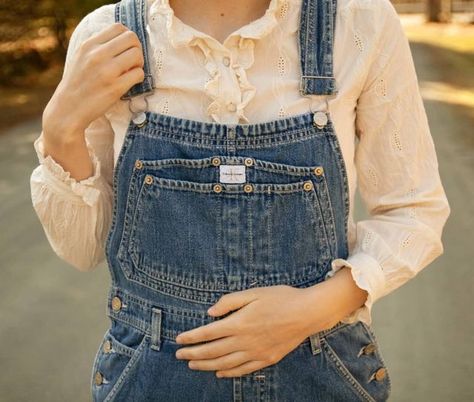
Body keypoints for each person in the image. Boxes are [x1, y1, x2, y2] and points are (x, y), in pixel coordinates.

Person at [29, 0, 451, 401]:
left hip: (322, 377)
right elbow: (83, 247)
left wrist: (311, 309)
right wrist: (61, 129)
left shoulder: (359, 23)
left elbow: (413, 211)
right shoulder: (106, 35)